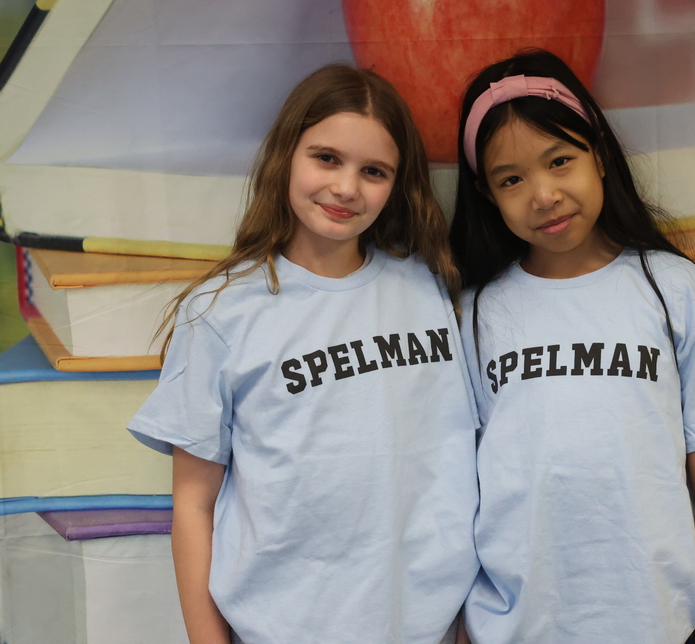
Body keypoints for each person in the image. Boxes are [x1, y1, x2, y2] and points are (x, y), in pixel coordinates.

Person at [127, 64, 479, 644]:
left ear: (398, 183)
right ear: (286, 156)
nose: (346, 188)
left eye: (374, 171)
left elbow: (456, 464)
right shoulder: (220, 313)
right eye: (327, 158)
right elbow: (192, 504)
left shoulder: (429, 289)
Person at [449, 50, 695, 644]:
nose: (544, 195)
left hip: (653, 624)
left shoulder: (675, 291)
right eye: (512, 179)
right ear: (486, 192)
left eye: (560, 161)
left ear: (598, 153)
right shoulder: (473, 316)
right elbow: (456, 494)